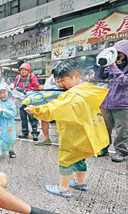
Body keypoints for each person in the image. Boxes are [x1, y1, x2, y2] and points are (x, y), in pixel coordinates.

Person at [25, 59, 109, 198]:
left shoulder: (71, 95)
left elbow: (53, 108)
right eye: (58, 81)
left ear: (76, 76)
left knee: (66, 159)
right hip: (86, 133)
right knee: (79, 158)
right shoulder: (86, 89)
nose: (60, 84)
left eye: (63, 80)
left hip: (73, 135)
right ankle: (80, 182)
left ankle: (63, 188)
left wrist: (34, 109)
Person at [94, 40, 128, 162]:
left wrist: (112, 66)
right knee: (104, 128)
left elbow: (125, 81)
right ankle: (103, 148)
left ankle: (121, 151)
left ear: (127, 53)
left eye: (119, 55)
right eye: (115, 54)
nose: (117, 57)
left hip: (124, 104)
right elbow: (99, 77)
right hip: (107, 102)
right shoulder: (114, 62)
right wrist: (102, 64)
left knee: (122, 130)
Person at [13, 63, 40, 141]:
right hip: (21, 100)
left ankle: (35, 133)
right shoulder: (18, 77)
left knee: (32, 117)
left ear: (28, 70)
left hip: (30, 99)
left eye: (25, 70)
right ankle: (24, 132)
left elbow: (36, 86)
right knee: (23, 117)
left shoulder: (32, 76)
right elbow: (15, 87)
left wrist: (26, 90)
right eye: (22, 70)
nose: (23, 71)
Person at [34, 74, 63, 146]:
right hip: (48, 103)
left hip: (60, 103)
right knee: (43, 119)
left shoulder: (66, 77)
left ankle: (64, 141)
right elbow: (45, 89)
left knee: (62, 121)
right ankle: (46, 139)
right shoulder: (51, 78)